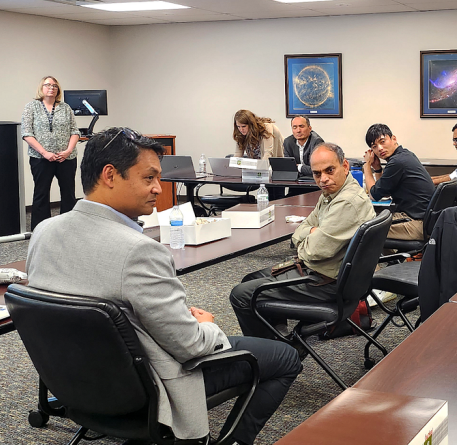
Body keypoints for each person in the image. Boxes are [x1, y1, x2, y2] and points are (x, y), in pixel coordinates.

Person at [27, 127, 301, 445]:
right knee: (284, 358)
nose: (159, 188)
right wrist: (208, 327)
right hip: (146, 389)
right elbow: (190, 347)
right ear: (109, 175)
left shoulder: (44, 231)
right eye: (149, 178)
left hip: (75, 382)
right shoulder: (138, 251)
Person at [230, 142, 376, 339]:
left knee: (242, 295)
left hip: (328, 283)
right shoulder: (333, 193)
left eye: (330, 170)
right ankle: (280, 339)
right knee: (250, 280)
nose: (323, 179)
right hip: (328, 273)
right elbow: (300, 230)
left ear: (345, 166)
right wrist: (312, 232)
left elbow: (312, 251)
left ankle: (275, 358)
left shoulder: (346, 202)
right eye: (317, 173)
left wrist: (310, 235)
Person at [21, 75, 80, 232]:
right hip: (41, 158)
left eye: (55, 86)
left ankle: (69, 228)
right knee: (41, 193)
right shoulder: (31, 107)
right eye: (48, 85)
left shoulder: (65, 108)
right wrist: (45, 152)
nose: (51, 88)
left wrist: (68, 151)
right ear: (41, 88)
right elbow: (27, 133)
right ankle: (41, 229)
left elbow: (75, 131)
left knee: (68, 193)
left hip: (66, 158)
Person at [362, 124, 436, 241]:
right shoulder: (405, 155)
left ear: (394, 139)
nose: (380, 148)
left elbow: (374, 195)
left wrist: (366, 167)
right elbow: (384, 193)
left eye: (382, 141)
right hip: (423, 220)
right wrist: (377, 169)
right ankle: (394, 259)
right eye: (374, 146)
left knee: (365, 230)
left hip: (415, 223)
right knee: (373, 223)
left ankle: (389, 259)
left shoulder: (397, 162)